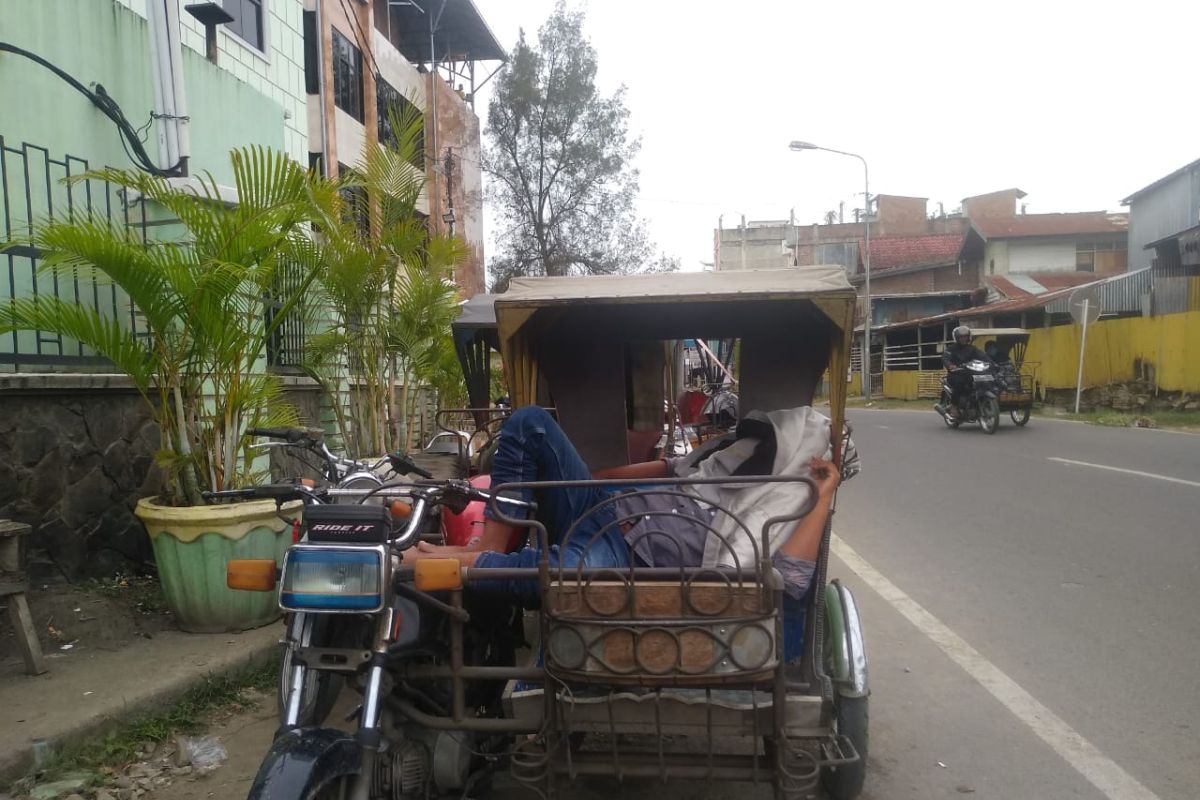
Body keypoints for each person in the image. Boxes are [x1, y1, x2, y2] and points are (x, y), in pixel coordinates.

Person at [406, 405, 853, 606]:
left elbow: (792, 581)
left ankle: (468, 564)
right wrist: (589, 478)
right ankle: (489, 547)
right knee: (528, 422)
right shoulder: (724, 463)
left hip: (625, 552)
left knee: (550, 579)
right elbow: (666, 468)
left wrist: (824, 493)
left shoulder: (786, 500)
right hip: (603, 505)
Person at [939, 325, 991, 419]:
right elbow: (945, 358)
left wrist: (992, 363)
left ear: (968, 337)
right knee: (959, 383)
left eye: (965, 336)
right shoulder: (951, 349)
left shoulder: (972, 348)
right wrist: (950, 365)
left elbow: (983, 356)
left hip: (970, 374)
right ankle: (954, 406)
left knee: (986, 380)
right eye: (961, 337)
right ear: (957, 338)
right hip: (955, 374)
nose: (963, 338)